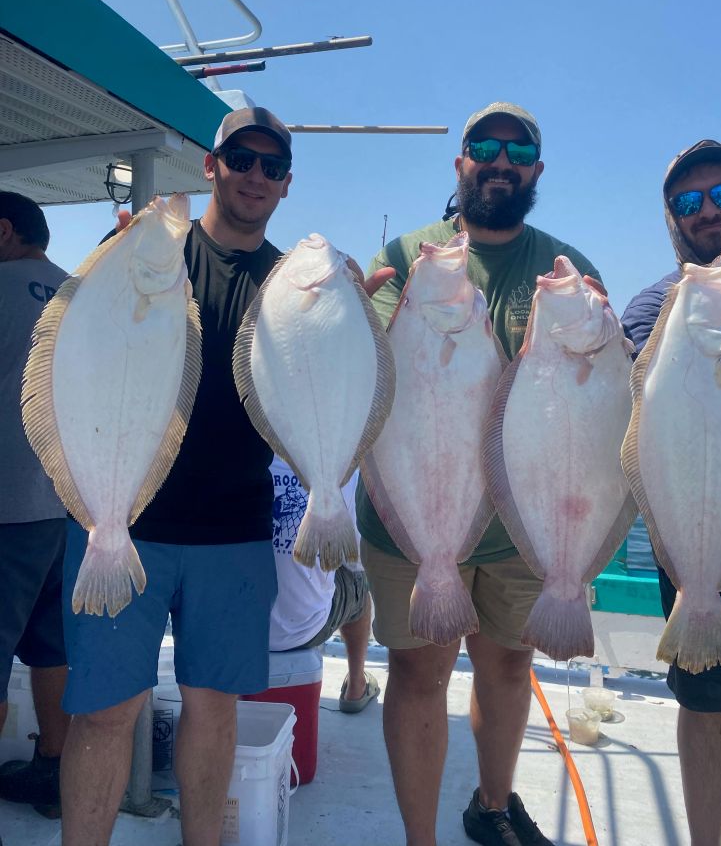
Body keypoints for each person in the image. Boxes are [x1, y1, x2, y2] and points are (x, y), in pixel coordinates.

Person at [57, 107, 390, 846]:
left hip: (234, 534)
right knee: (106, 710)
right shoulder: (154, 254)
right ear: (212, 165)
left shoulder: (290, 283)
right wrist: (115, 259)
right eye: (242, 158)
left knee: (216, 707)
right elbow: (79, 354)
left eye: (272, 166)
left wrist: (350, 326)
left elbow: (328, 384)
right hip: (125, 525)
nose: (256, 176)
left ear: (286, 184)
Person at [356, 101, 602, 846]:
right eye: (484, 146)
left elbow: (594, 396)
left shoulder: (566, 269)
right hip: (413, 513)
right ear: (460, 162)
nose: (501, 159)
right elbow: (374, 371)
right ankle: (421, 839)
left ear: (536, 170)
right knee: (419, 675)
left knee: (507, 666)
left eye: (518, 149)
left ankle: (491, 805)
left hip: (523, 524)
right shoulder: (405, 254)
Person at [621, 138, 721, 846]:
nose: (708, 212)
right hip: (701, 536)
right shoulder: (653, 308)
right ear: (672, 218)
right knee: (707, 709)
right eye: (688, 201)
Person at [0, 193, 71, 826]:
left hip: (5, 505)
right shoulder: (77, 293)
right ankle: (54, 772)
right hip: (69, 506)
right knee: (51, 646)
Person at [269, 455, 379, 711]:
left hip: (237, 633)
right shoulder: (343, 467)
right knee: (358, 580)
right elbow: (357, 561)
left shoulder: (245, 452)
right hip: (304, 631)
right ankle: (356, 686)